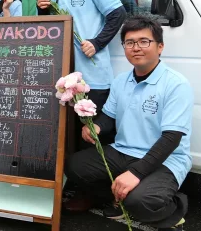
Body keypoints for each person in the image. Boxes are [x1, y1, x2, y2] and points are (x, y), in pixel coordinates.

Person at [65, 17, 193, 231]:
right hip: (123, 151)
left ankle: (174, 209)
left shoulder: (176, 84)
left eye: (144, 41)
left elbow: (171, 139)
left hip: (166, 158)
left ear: (160, 46)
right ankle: (117, 199)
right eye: (130, 42)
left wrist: (135, 174)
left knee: (140, 201)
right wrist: (96, 126)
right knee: (74, 166)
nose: (136, 48)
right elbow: (108, 117)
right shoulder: (121, 81)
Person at [32, 0, 127, 148]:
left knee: (95, 140)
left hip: (93, 81)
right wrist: (42, 11)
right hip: (63, 83)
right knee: (70, 140)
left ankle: (100, 179)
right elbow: (47, 37)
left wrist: (97, 42)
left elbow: (118, 14)